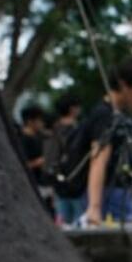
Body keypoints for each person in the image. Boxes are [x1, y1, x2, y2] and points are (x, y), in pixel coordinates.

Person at [83, 62, 132, 226]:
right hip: (107, 195)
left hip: (116, 192)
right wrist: (94, 206)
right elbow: (98, 159)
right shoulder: (106, 116)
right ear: (123, 85)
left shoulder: (117, 115)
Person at [47, 93, 84, 225]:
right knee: (80, 222)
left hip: (59, 184)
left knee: (62, 223)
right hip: (78, 183)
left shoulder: (54, 131)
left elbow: (49, 159)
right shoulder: (79, 130)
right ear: (72, 109)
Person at [18, 104, 47, 186]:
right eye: (40, 120)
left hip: (41, 181)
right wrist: (40, 161)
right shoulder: (22, 139)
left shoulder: (38, 136)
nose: (42, 123)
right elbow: (21, 165)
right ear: (30, 121)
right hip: (29, 183)